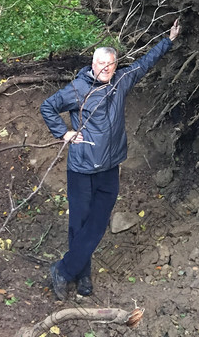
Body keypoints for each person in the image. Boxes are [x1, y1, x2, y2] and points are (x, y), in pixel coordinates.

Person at [40, 19, 181, 300]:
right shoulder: (78, 89)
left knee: (98, 223)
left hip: (109, 168)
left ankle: (66, 269)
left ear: (116, 66)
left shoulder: (120, 82)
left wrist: (169, 40)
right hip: (82, 169)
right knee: (80, 224)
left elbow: (145, 63)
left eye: (110, 65)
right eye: (101, 65)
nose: (105, 70)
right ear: (93, 64)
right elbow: (48, 106)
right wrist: (64, 133)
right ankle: (79, 276)